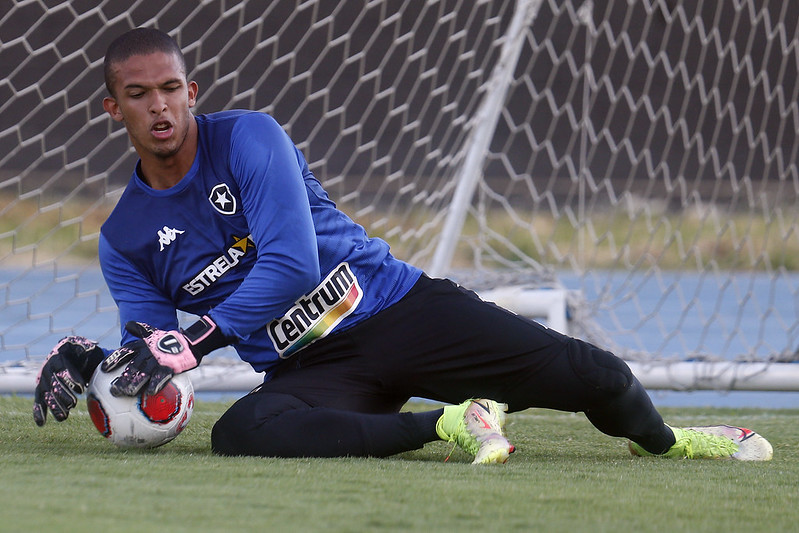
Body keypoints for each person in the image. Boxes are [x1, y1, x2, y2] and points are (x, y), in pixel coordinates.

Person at [33, 28, 772, 463]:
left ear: (192, 91)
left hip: (400, 310)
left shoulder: (250, 137)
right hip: (312, 367)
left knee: (602, 378)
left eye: (169, 88)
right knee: (243, 430)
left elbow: (289, 264)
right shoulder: (123, 238)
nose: (158, 106)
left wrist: (196, 335)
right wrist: (98, 361)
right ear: (112, 106)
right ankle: (450, 421)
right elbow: (159, 346)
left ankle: (675, 442)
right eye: (138, 94)